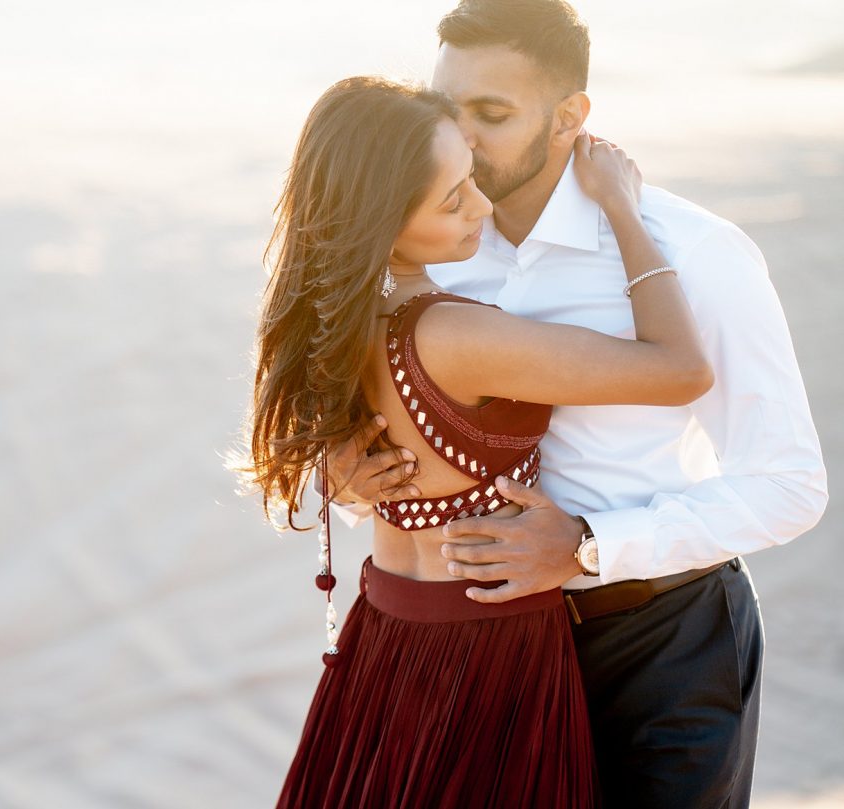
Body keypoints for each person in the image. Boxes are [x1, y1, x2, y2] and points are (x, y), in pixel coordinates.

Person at [324, 2, 829, 807]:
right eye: (445, 106)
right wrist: (350, 478)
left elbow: (791, 485)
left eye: (491, 114)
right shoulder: (432, 247)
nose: (461, 136)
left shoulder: (696, 254)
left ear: (570, 117)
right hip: (491, 650)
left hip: (664, 645)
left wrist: (591, 547)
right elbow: (387, 439)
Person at [241, 71, 715, 808]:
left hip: (385, 641)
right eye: (452, 198)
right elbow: (681, 368)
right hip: (484, 653)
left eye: (471, 179)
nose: (482, 207)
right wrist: (623, 208)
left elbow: (351, 467)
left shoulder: (333, 327)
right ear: (382, 220)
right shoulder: (457, 334)